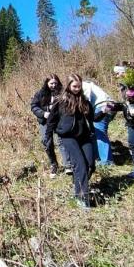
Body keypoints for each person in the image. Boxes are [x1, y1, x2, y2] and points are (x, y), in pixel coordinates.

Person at [45, 74, 97, 209]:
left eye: (79, 86)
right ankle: (82, 197)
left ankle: (78, 183)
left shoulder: (83, 100)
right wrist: (48, 136)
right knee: (80, 164)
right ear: (68, 86)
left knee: (90, 164)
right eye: (74, 86)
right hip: (68, 136)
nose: (77, 89)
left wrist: (105, 112)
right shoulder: (60, 101)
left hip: (84, 136)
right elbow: (51, 120)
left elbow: (92, 117)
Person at [31, 74, 73, 178]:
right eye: (51, 83)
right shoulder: (40, 94)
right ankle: (54, 164)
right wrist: (43, 113)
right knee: (47, 143)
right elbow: (34, 106)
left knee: (61, 141)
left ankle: (68, 165)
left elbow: (68, 105)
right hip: (45, 121)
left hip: (59, 121)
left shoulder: (62, 93)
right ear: (47, 83)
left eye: (55, 83)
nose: (53, 85)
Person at [82, 79, 116, 167]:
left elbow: (86, 99)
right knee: (95, 132)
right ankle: (98, 157)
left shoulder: (84, 85)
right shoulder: (92, 86)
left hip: (102, 106)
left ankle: (107, 161)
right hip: (109, 105)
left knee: (100, 133)